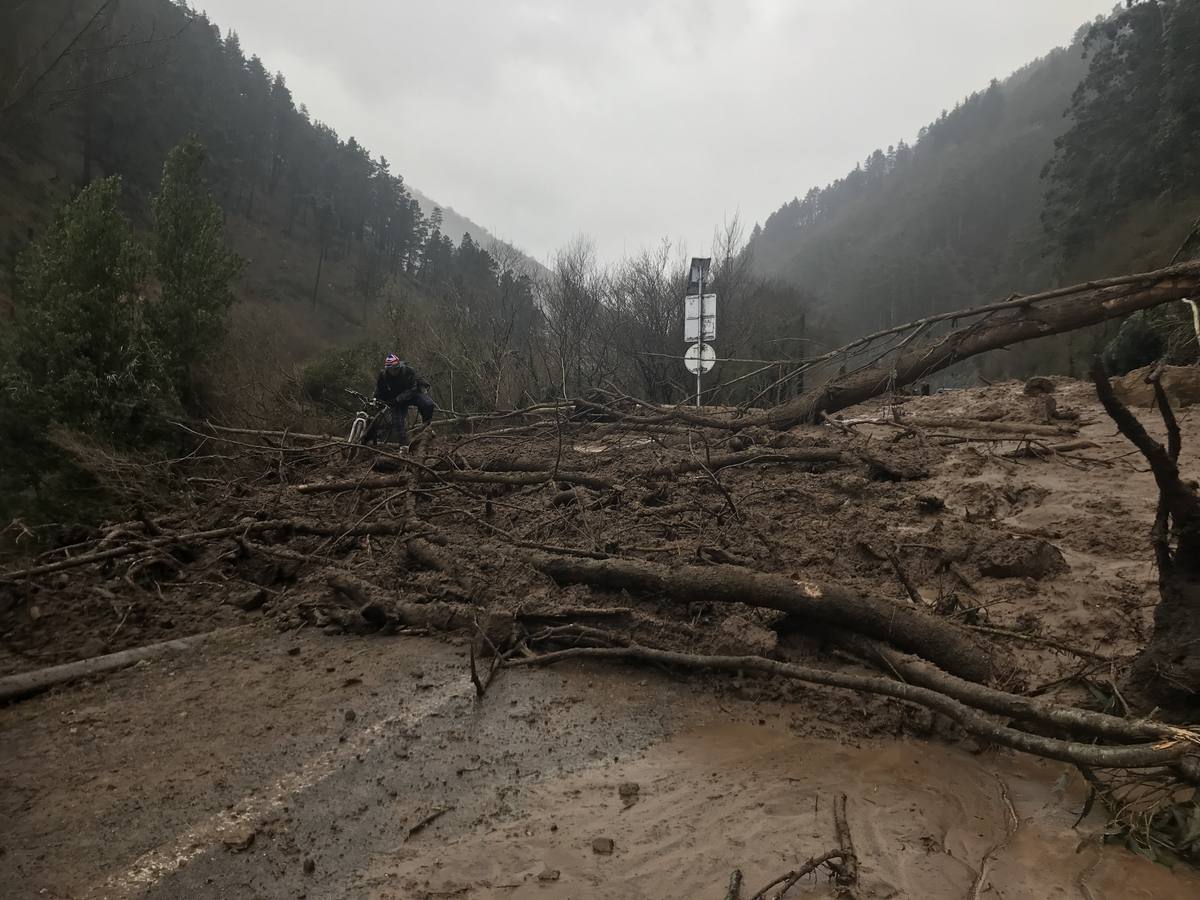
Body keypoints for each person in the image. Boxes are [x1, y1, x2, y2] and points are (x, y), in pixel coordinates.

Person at [374, 353, 435, 446]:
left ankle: (426, 427)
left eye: (397, 368)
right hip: (395, 401)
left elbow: (413, 388)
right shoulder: (383, 376)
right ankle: (404, 445)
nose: (395, 371)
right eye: (392, 369)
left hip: (411, 395)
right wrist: (377, 400)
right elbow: (379, 390)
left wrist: (398, 399)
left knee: (428, 404)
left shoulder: (408, 371)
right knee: (398, 424)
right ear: (388, 369)